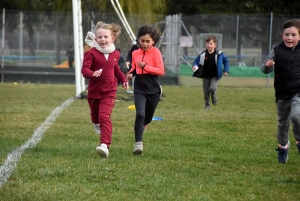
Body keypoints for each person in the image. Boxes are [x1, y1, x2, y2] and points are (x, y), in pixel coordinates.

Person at [81, 21, 129, 158]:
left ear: (112, 38)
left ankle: (104, 145)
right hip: (94, 92)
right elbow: (84, 70)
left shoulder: (115, 54)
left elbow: (116, 69)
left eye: (106, 37)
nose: (103, 40)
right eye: (100, 37)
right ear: (95, 39)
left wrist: (123, 80)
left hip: (109, 91)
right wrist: (92, 74)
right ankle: (95, 123)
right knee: (96, 116)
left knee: (105, 117)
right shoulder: (91, 54)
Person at [261, 19, 300, 164]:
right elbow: (264, 69)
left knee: (297, 116)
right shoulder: (276, 50)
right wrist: (268, 65)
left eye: (294, 35)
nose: (290, 38)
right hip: (282, 93)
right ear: (282, 35)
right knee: (283, 123)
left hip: (298, 91)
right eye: (287, 34)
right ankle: (283, 146)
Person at [126, 25, 164, 155]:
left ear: (153, 41)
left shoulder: (156, 53)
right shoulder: (135, 53)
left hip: (153, 88)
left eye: (148, 41)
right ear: (138, 40)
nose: (145, 44)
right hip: (139, 88)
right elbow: (134, 69)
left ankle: (144, 125)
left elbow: (160, 71)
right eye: (142, 41)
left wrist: (146, 67)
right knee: (140, 115)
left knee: (147, 118)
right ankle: (138, 144)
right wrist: (130, 74)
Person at [192, 35, 229, 110]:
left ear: (215, 45)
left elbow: (226, 61)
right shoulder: (202, 54)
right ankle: (207, 104)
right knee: (206, 92)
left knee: (212, 88)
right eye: (207, 43)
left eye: (211, 44)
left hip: (215, 76)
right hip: (205, 76)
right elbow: (196, 62)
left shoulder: (219, 54)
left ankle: (213, 96)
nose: (209, 45)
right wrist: (195, 66)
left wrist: (226, 70)